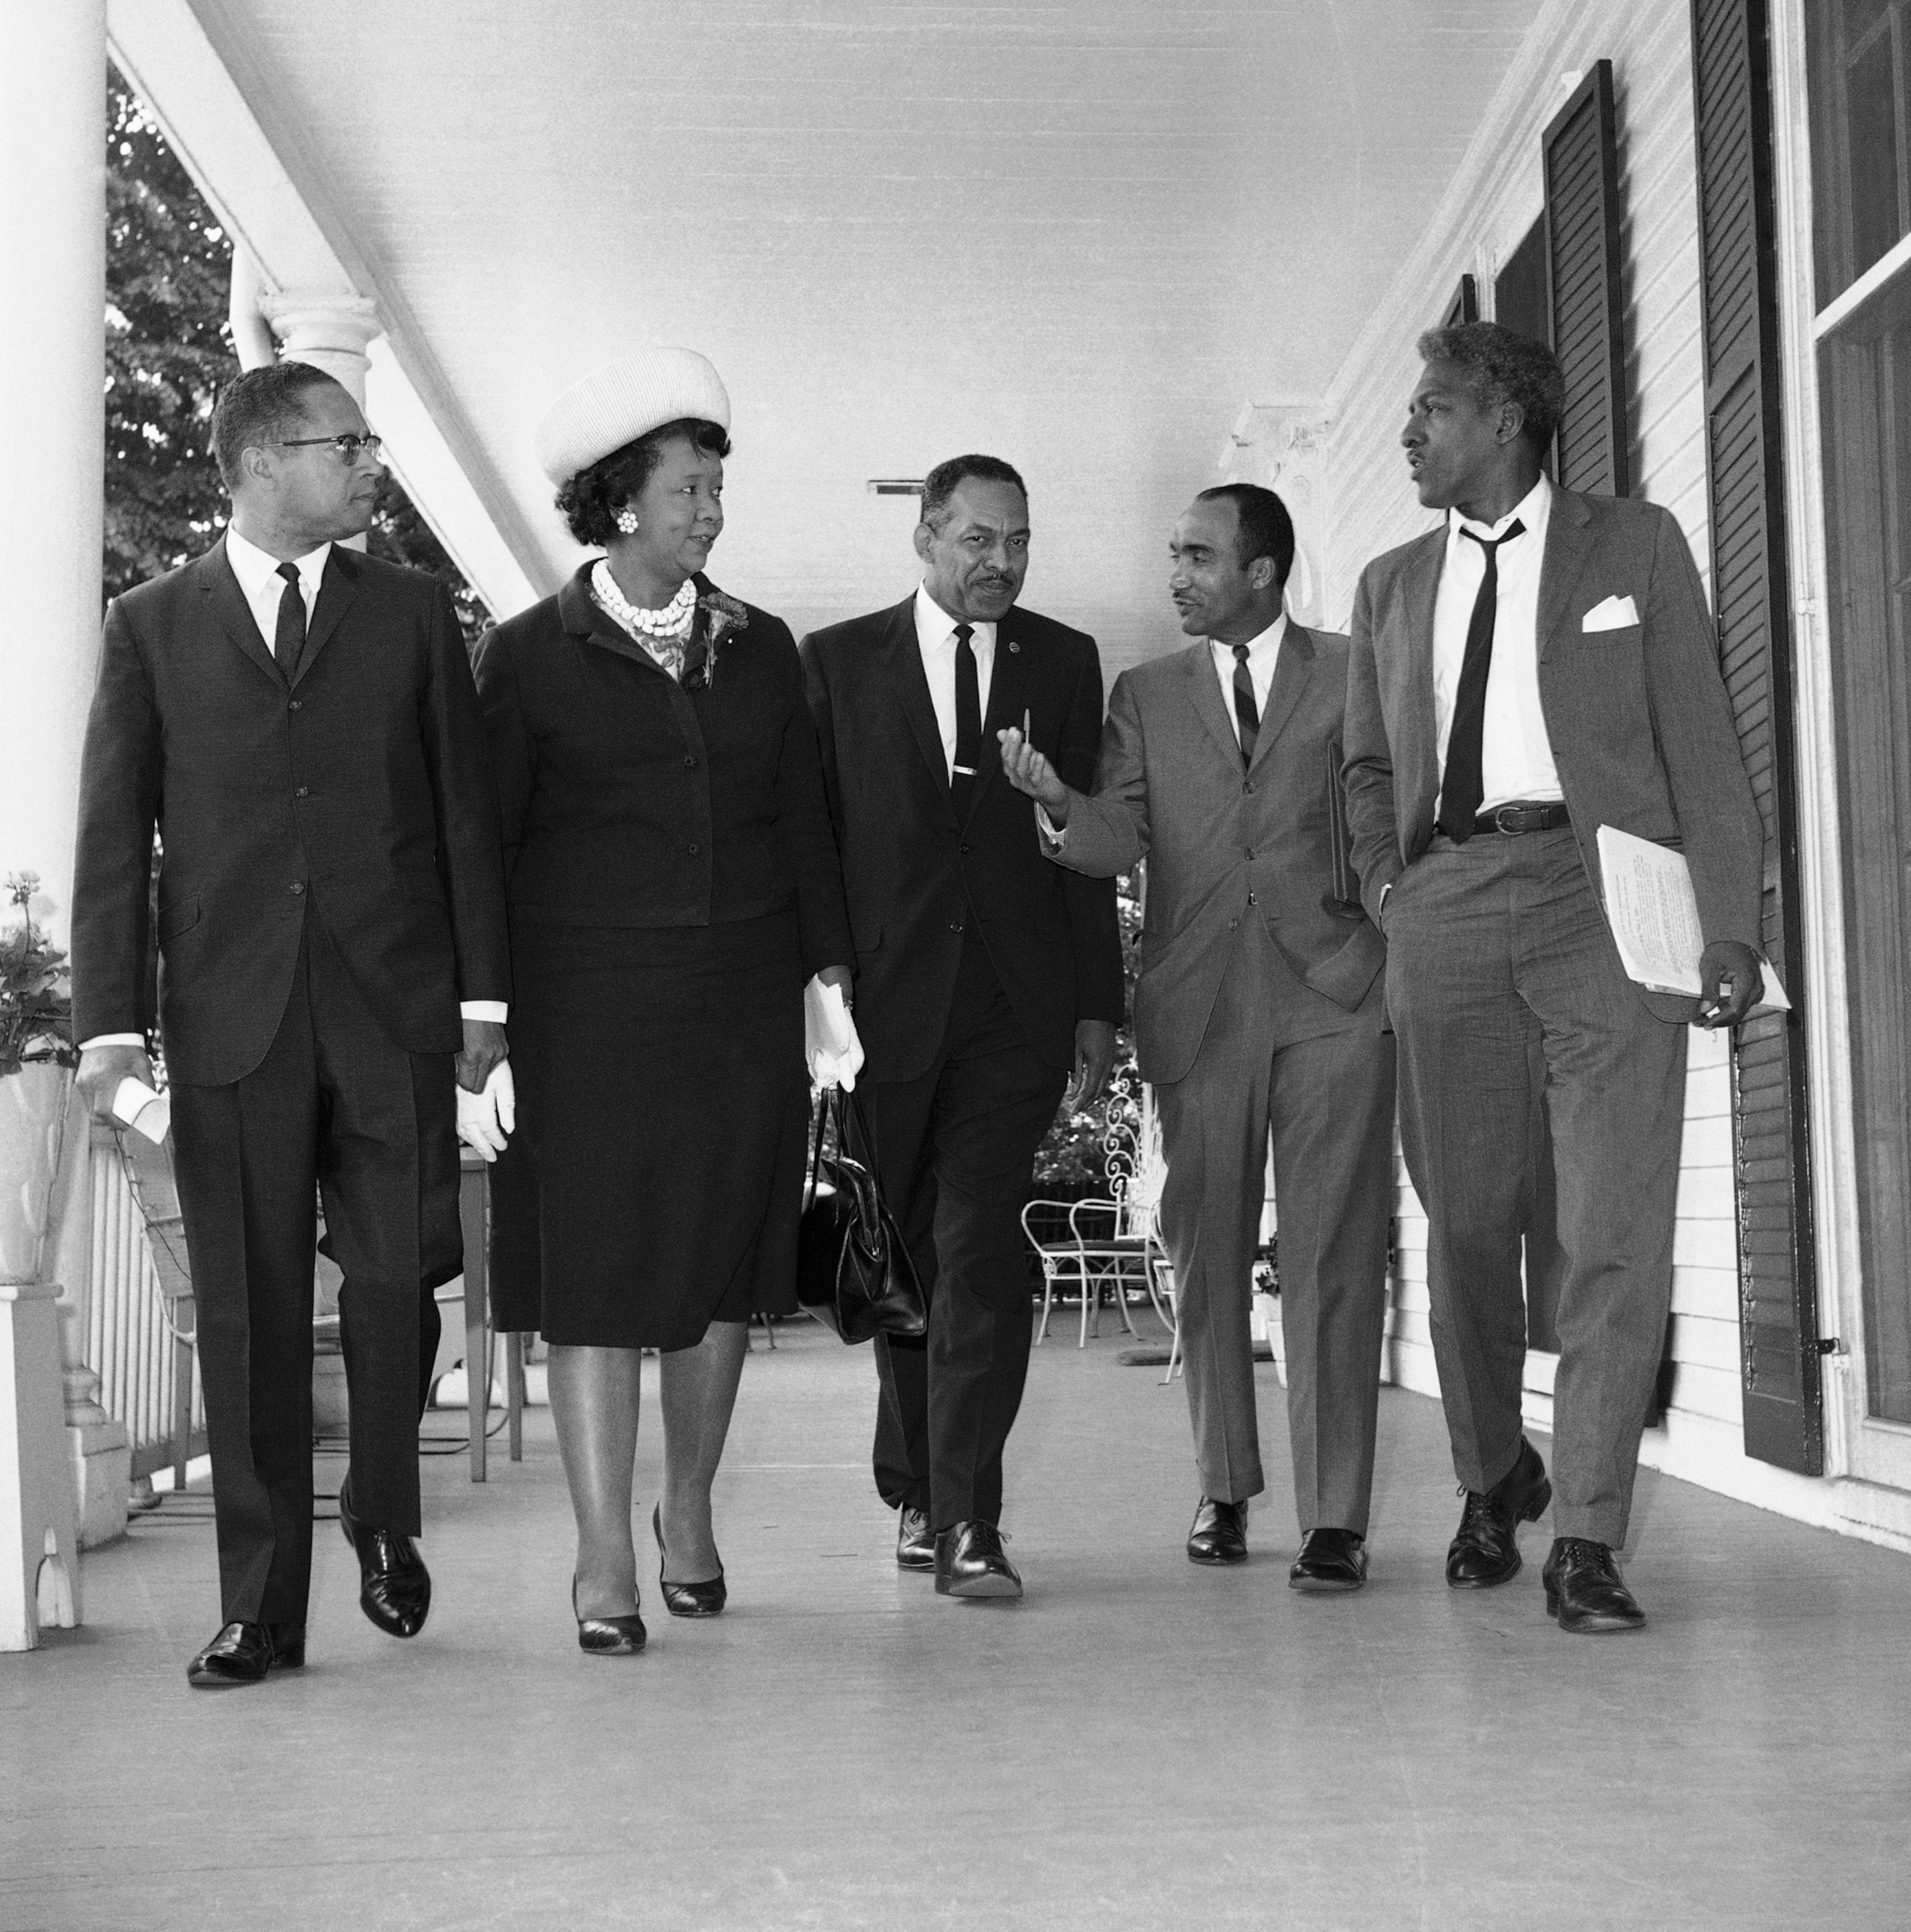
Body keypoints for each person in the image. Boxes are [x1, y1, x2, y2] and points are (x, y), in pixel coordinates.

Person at [70, 360, 511, 1688]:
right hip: (230, 1021)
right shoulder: (152, 623)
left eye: (371, 442)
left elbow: (462, 817)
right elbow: (113, 841)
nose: (372, 464)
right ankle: (262, 1609)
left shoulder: (417, 614)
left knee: (400, 1271)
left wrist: (484, 1001)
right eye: (348, 443)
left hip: (394, 1009)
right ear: (264, 459)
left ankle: (382, 1501)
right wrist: (106, 1032)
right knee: (253, 1316)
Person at [1341, 321, 1766, 1633]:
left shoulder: (1631, 547)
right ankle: (1491, 1474)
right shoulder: (1388, 584)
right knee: (1466, 1223)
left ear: (1508, 420)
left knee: (1611, 1224)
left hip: (1602, 902)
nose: (1410, 433)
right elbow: (1365, 770)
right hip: (1449, 902)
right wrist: (1385, 886)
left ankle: (1586, 1528)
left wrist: (1731, 926)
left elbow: (1699, 740)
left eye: (1432, 411)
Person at [475, 348, 854, 1654]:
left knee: (711, 1275)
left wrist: (828, 977)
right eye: (690, 489)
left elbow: (804, 825)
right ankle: (598, 1557)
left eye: (714, 489)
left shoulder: (761, 651)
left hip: (739, 1006)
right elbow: (487, 850)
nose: (712, 512)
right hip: (582, 1016)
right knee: (594, 1281)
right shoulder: (526, 658)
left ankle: (684, 1512)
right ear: (622, 501)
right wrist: (486, 1027)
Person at [1000, 484, 1395, 1589]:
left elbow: (1387, 805)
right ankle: (1223, 1486)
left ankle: (1335, 1519)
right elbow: (1119, 836)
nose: (1174, 574)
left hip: (1335, 992)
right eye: (1174, 554)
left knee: (1333, 1257)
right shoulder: (1147, 692)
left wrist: (1387, 934)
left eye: (1196, 556)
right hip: (1202, 1001)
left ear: (1261, 571)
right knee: (1207, 1253)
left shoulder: (1355, 667)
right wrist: (1056, 804)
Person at [798, 455, 1124, 1599]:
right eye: (979, 540)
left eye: (1019, 541)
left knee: (979, 1254)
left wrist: (1097, 1004)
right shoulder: (837, 663)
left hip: (1014, 1009)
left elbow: (1083, 844)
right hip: (885, 1013)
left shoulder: (1066, 662)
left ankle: (968, 1519)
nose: (1002, 563)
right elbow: (816, 840)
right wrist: (824, 984)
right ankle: (918, 1487)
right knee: (905, 1257)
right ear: (926, 540)